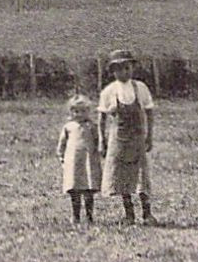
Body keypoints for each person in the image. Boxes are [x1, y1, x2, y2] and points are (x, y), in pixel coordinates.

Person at [97, 48, 156, 225]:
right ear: (113, 71)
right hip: (119, 140)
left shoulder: (140, 88)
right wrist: (102, 139)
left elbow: (149, 113)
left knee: (141, 176)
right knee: (123, 176)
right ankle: (129, 213)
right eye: (119, 68)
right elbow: (101, 118)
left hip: (137, 139)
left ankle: (147, 213)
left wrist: (149, 136)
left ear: (132, 68)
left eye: (127, 67)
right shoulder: (109, 92)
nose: (124, 72)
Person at [56, 94, 101, 224]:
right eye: (76, 111)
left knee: (88, 189)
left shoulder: (92, 126)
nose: (79, 114)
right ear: (71, 112)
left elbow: (98, 141)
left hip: (88, 161)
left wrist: (100, 151)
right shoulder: (69, 127)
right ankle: (75, 215)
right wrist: (61, 156)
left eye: (83, 111)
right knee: (74, 189)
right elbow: (62, 144)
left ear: (88, 111)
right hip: (74, 162)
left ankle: (89, 215)